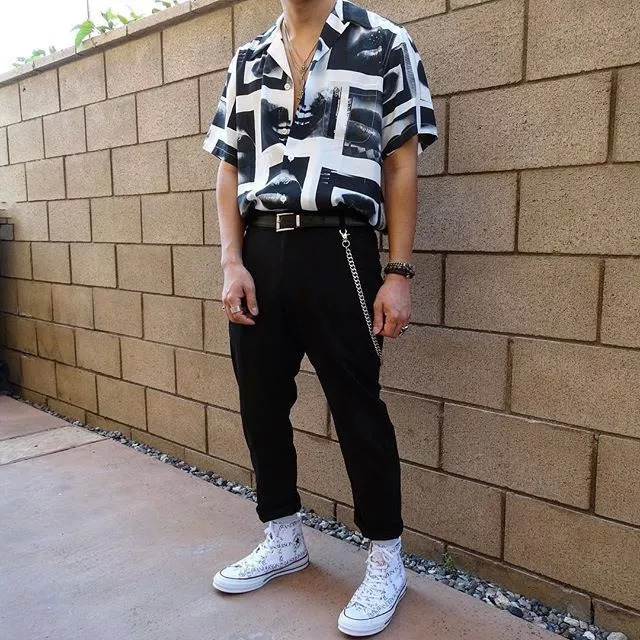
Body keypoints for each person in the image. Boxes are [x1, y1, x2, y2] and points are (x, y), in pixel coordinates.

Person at [202, 0, 437, 635]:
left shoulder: (383, 42)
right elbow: (229, 167)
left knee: (358, 406)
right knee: (259, 402)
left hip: (341, 245)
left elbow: (400, 162)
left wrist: (398, 272)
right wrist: (232, 262)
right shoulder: (248, 59)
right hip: (259, 249)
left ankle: (385, 558)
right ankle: (282, 536)